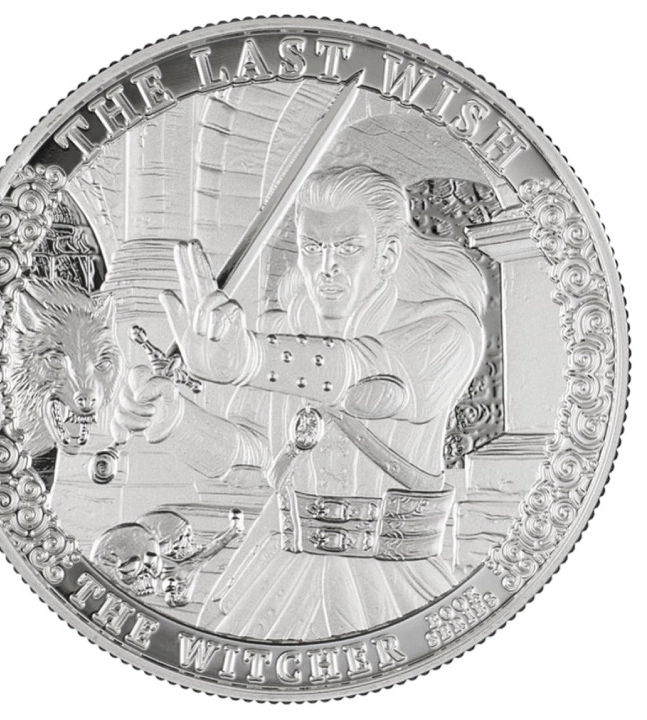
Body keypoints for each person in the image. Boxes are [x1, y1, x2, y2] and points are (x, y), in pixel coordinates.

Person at [112, 166, 486, 641]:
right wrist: (173, 421)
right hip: (283, 577)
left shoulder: (448, 331)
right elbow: (248, 454)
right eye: (313, 247)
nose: (326, 266)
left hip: (395, 583)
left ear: (387, 254)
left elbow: (367, 380)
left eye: (348, 248)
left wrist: (251, 358)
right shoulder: (278, 330)